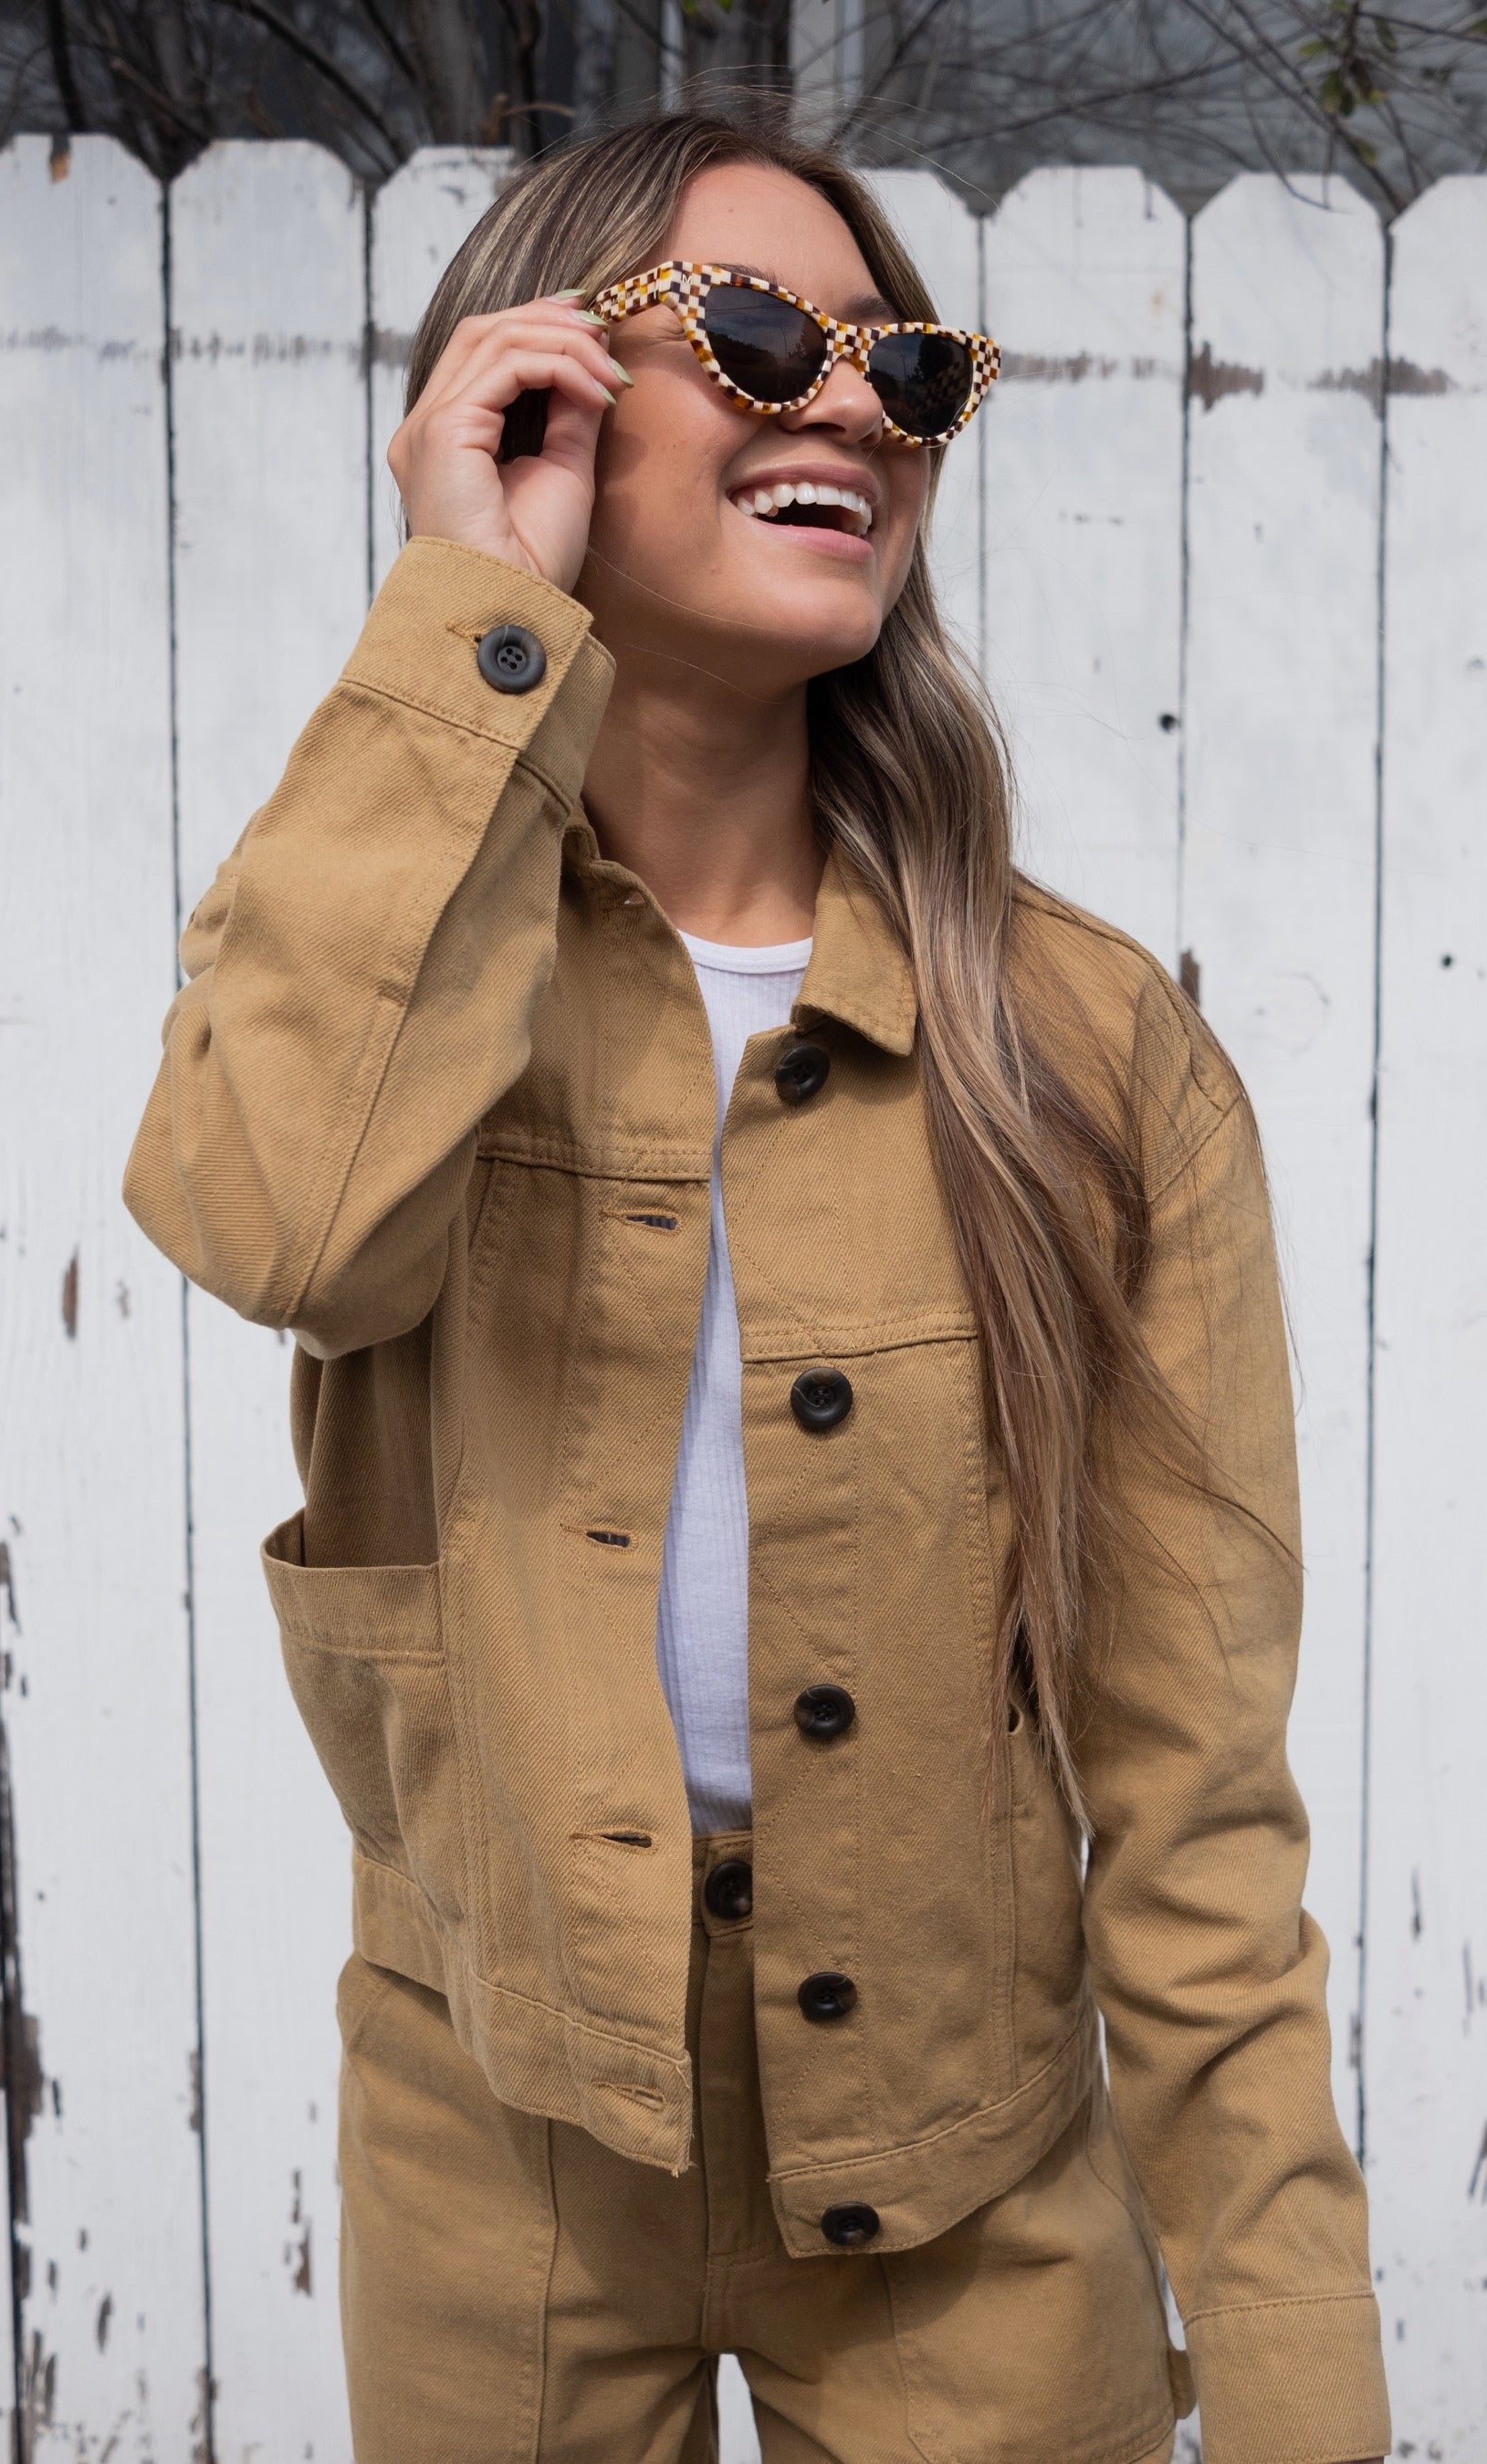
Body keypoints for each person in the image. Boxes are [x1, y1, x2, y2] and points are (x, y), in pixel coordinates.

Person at [123, 107, 1390, 2464]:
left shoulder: (1088, 1050)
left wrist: (1310, 2391)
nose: (854, 407)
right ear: (539, 387)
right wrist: (470, 618)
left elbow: (1195, 1794)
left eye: (904, 366)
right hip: (500, 2133)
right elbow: (271, 1227)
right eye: (754, 333)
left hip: (973, 2185)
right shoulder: (391, 945)